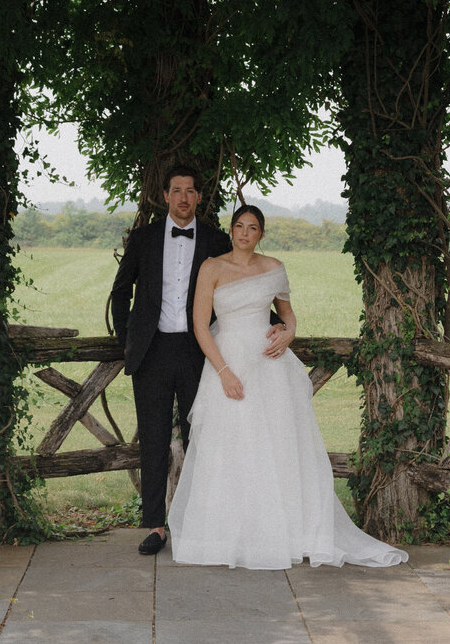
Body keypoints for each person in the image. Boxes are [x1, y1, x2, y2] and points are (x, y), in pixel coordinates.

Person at [168, 203, 409, 570]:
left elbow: (287, 313)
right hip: (229, 361)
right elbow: (201, 325)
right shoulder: (212, 268)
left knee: (276, 444)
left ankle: (282, 532)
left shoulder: (273, 268)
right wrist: (224, 372)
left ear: (261, 234)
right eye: (239, 226)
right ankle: (227, 534)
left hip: (269, 365)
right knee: (229, 444)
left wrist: (289, 331)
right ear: (231, 230)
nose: (245, 233)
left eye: (252, 227)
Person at [109, 165, 232, 555]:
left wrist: (277, 323)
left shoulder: (216, 239)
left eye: (190, 191)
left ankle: (201, 523)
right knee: (154, 440)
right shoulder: (143, 238)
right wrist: (129, 338)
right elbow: (121, 289)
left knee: (203, 438)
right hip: (152, 351)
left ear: (199, 197)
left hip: (200, 351)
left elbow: (239, 286)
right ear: (165, 195)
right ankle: (156, 527)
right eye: (176, 190)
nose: (183, 197)